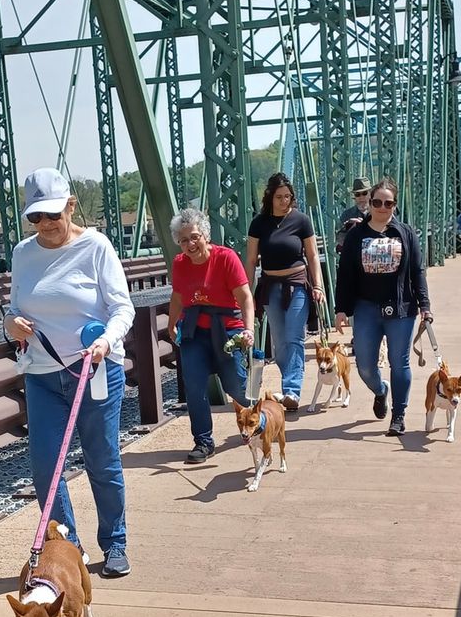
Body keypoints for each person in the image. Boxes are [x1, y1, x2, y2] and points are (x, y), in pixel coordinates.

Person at [4, 167, 134, 578]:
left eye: (53, 215)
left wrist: (106, 341)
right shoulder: (23, 254)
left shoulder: (96, 246)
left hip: (93, 369)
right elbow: (14, 309)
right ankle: (67, 548)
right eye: (35, 217)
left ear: (71, 206)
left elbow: (122, 308)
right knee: (46, 466)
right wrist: (10, 325)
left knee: (102, 460)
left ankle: (115, 542)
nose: (45, 224)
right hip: (42, 372)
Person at [333, 176, 431, 437]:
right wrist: (341, 309)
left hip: (401, 307)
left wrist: (425, 305)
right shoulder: (356, 236)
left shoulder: (406, 233)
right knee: (364, 364)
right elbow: (345, 274)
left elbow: (417, 271)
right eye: (377, 202)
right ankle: (381, 390)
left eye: (388, 203)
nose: (382, 207)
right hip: (366, 306)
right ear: (370, 204)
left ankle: (398, 415)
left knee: (399, 362)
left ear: (395, 205)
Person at [167, 207, 254, 465]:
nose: (189, 244)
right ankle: (203, 441)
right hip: (195, 330)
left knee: (235, 386)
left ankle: (261, 417)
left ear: (205, 235)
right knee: (194, 385)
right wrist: (172, 325)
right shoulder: (180, 264)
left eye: (194, 237)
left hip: (227, 328)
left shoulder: (226, 258)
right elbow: (178, 297)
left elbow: (245, 297)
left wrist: (248, 329)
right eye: (183, 240)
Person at [246, 172, 327, 413]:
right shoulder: (259, 223)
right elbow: (250, 260)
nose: (284, 201)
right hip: (270, 287)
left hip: (298, 285)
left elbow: (312, 256)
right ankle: (289, 384)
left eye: (288, 197)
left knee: (294, 337)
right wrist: (246, 293)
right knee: (280, 342)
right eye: (280, 197)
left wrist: (318, 285)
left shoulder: (301, 221)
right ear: (270, 197)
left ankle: (291, 390)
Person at [337, 177, 370, 253]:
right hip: (354, 256)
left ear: (370, 194)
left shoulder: (378, 213)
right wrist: (348, 227)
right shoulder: (347, 215)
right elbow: (340, 240)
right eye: (357, 194)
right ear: (354, 197)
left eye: (364, 193)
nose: (361, 197)